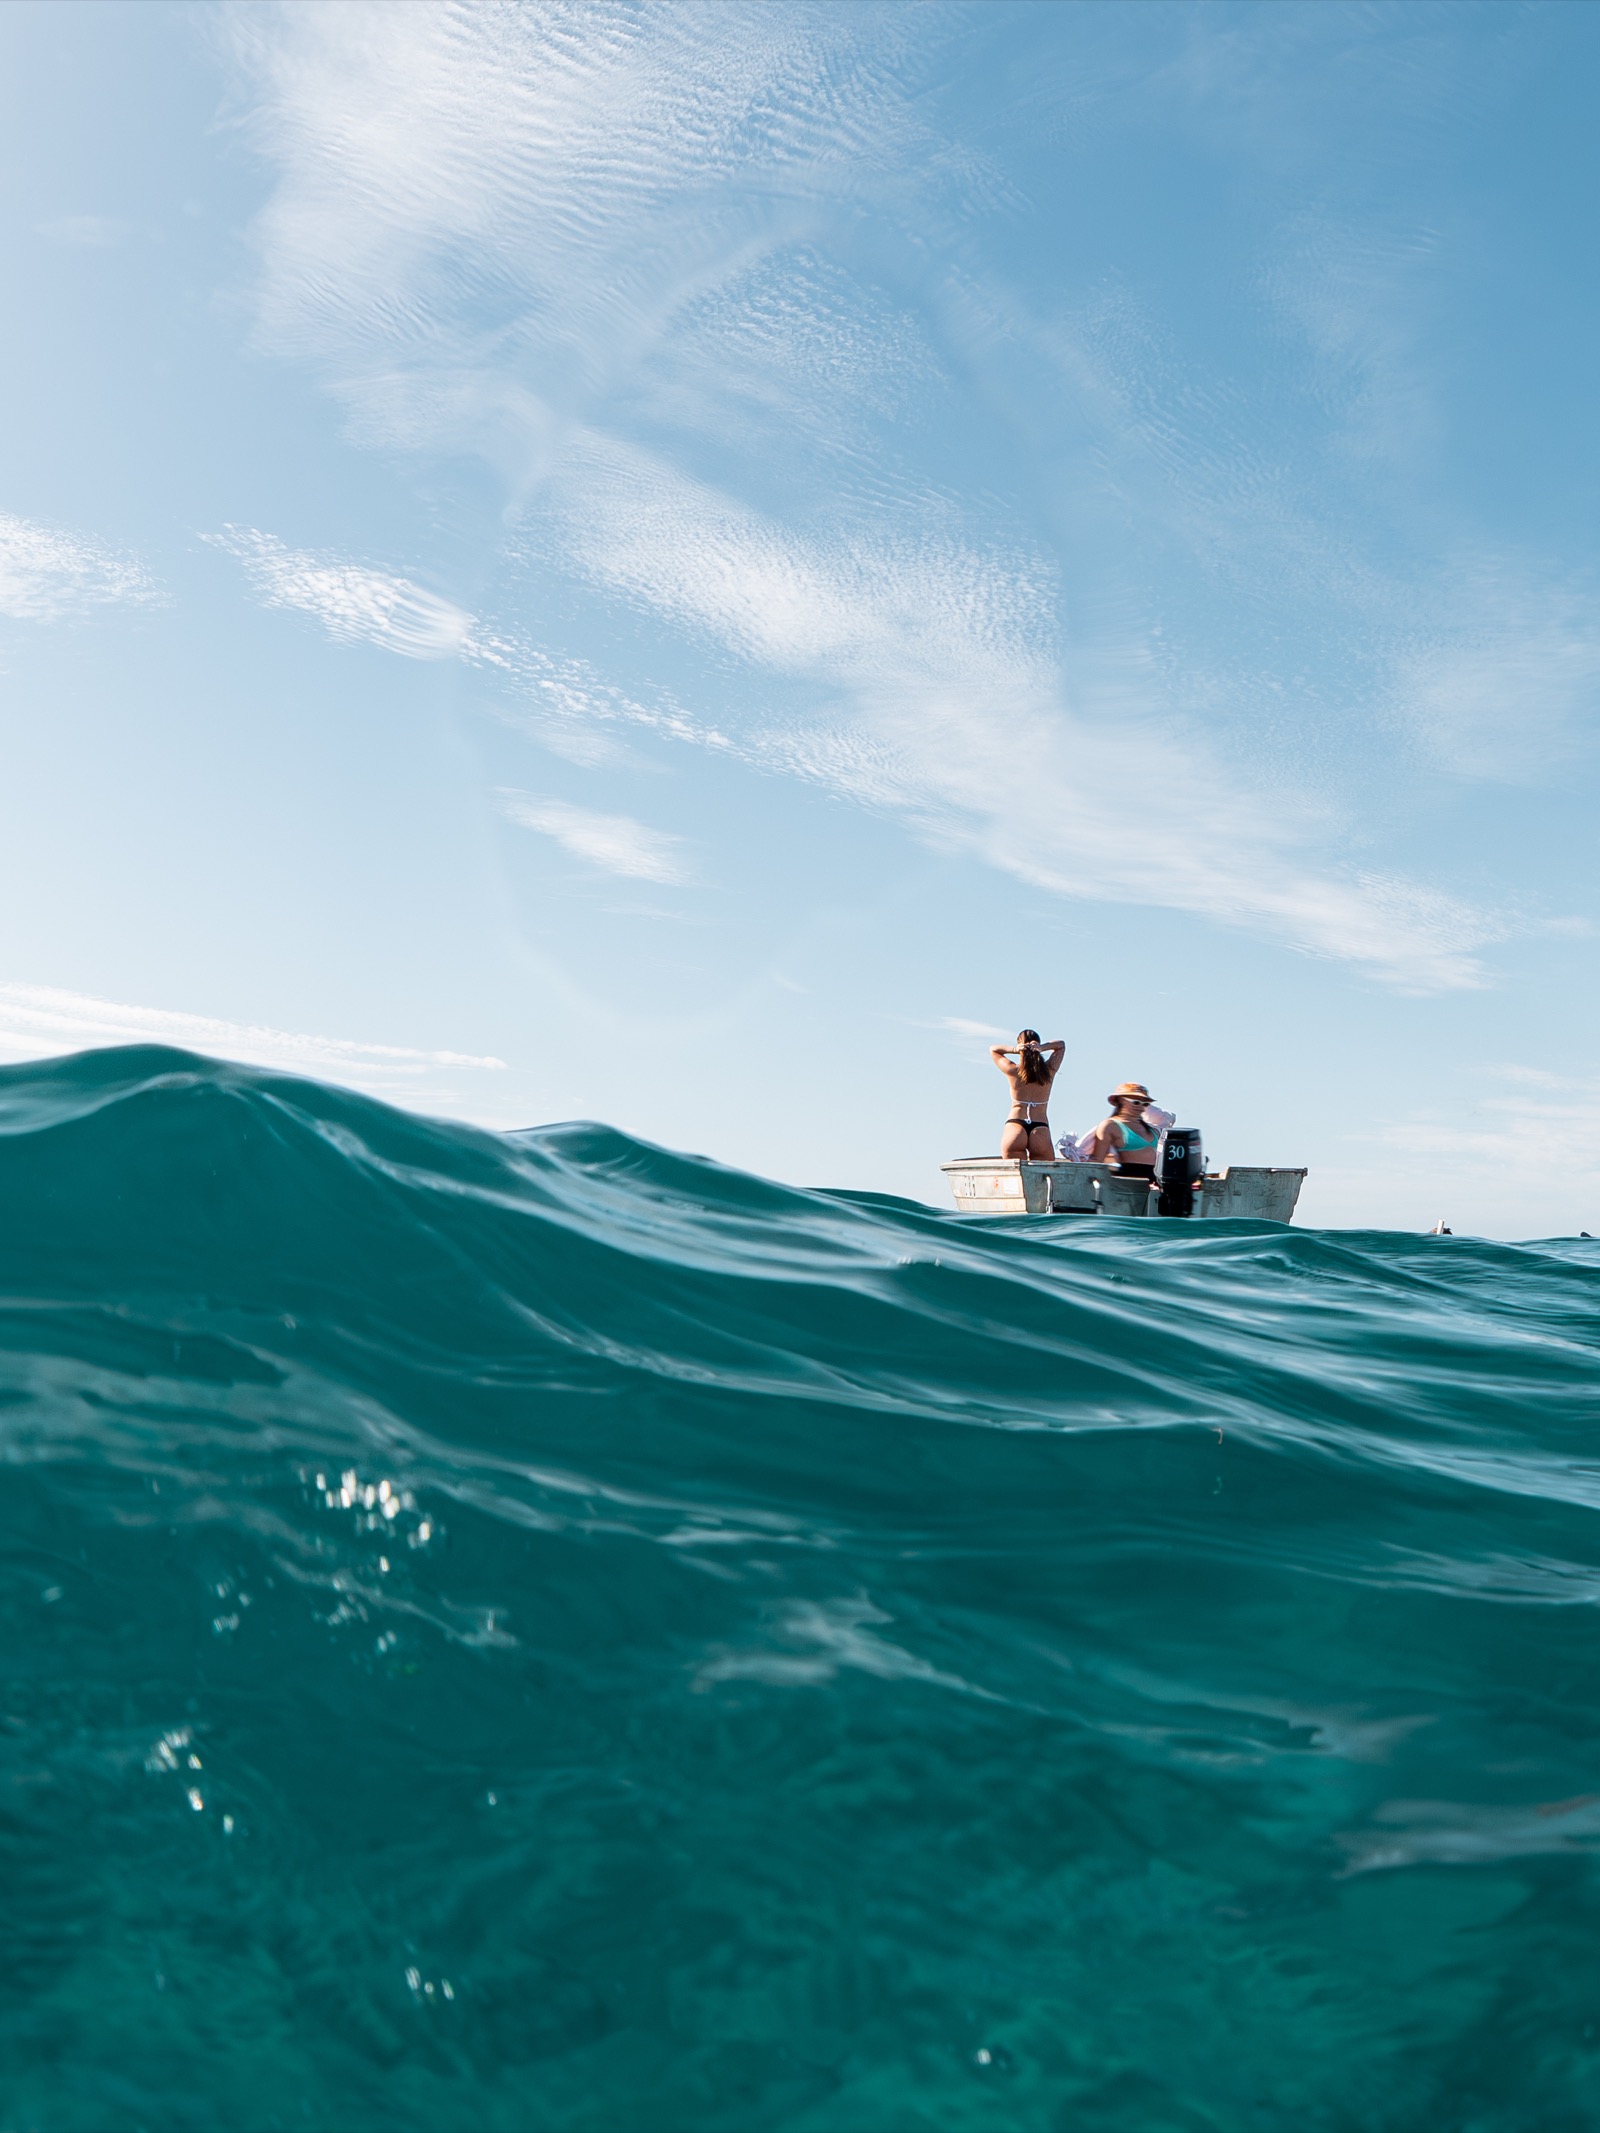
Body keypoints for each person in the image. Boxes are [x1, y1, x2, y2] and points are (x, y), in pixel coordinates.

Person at [990, 1029, 1065, 1161]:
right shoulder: (1049, 1071)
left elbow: (993, 1050)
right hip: (1039, 1128)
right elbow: (1060, 1045)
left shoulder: (1013, 1070)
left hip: (1015, 1126)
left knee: (1015, 1178)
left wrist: (1014, 1049)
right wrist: (1042, 1048)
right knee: (1042, 1178)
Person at [1084, 1082, 1170, 1175]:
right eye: (1136, 1102)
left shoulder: (1152, 1128)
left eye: (1145, 1104)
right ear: (1121, 1100)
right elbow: (1097, 1160)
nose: (1140, 1107)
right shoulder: (1111, 1125)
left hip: (1155, 1182)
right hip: (1129, 1181)